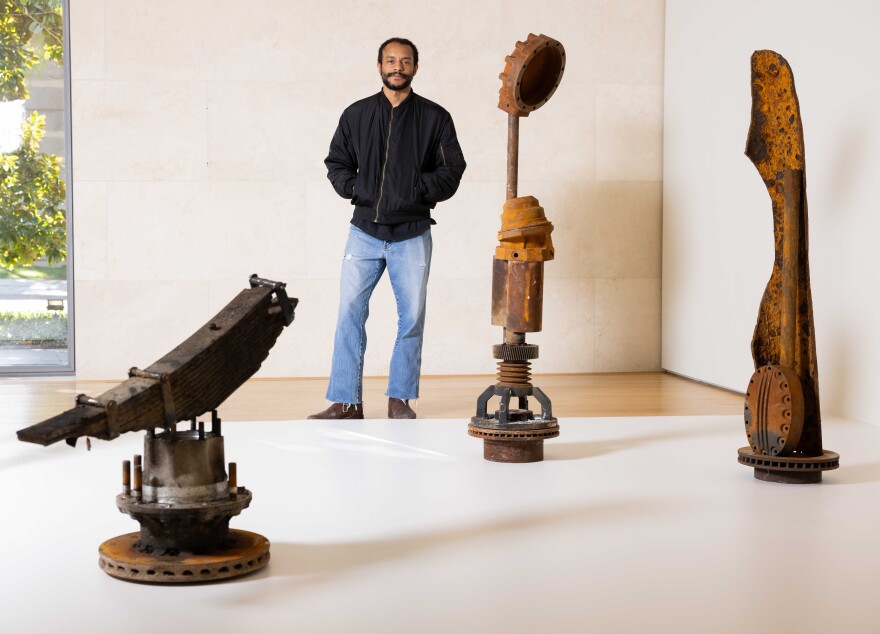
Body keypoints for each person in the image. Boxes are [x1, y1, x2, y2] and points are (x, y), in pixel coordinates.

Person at [308, 37, 467, 420]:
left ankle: (400, 399)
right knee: (349, 313)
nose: (398, 67)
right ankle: (346, 402)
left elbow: (452, 169)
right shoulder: (357, 114)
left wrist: (415, 190)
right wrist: (359, 189)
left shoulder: (435, 117)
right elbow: (336, 162)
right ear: (379, 65)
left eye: (405, 61)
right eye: (391, 60)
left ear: (415, 67)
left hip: (412, 233)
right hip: (364, 232)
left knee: (411, 317)